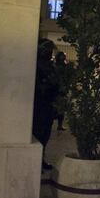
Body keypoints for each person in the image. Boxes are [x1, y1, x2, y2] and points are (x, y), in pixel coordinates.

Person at [32, 38, 59, 171]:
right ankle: (36, 161)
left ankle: (41, 159)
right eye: (48, 51)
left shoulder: (50, 66)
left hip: (49, 104)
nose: (50, 53)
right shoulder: (36, 66)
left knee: (46, 134)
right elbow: (37, 86)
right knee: (38, 133)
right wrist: (48, 85)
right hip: (40, 104)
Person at [54, 52, 67, 131]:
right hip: (60, 89)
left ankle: (60, 125)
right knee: (60, 108)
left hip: (59, 89)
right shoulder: (60, 67)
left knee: (60, 108)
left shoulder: (55, 66)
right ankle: (59, 125)